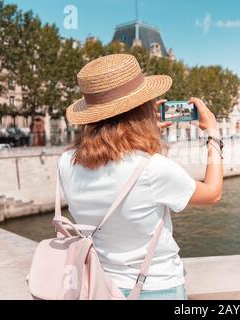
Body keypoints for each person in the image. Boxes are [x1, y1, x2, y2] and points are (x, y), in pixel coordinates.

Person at [58, 54, 223, 300]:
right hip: (155, 288)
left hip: (98, 284)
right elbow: (213, 193)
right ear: (142, 108)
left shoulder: (66, 162)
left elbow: (114, 159)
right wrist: (214, 135)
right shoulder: (153, 169)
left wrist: (142, 131)